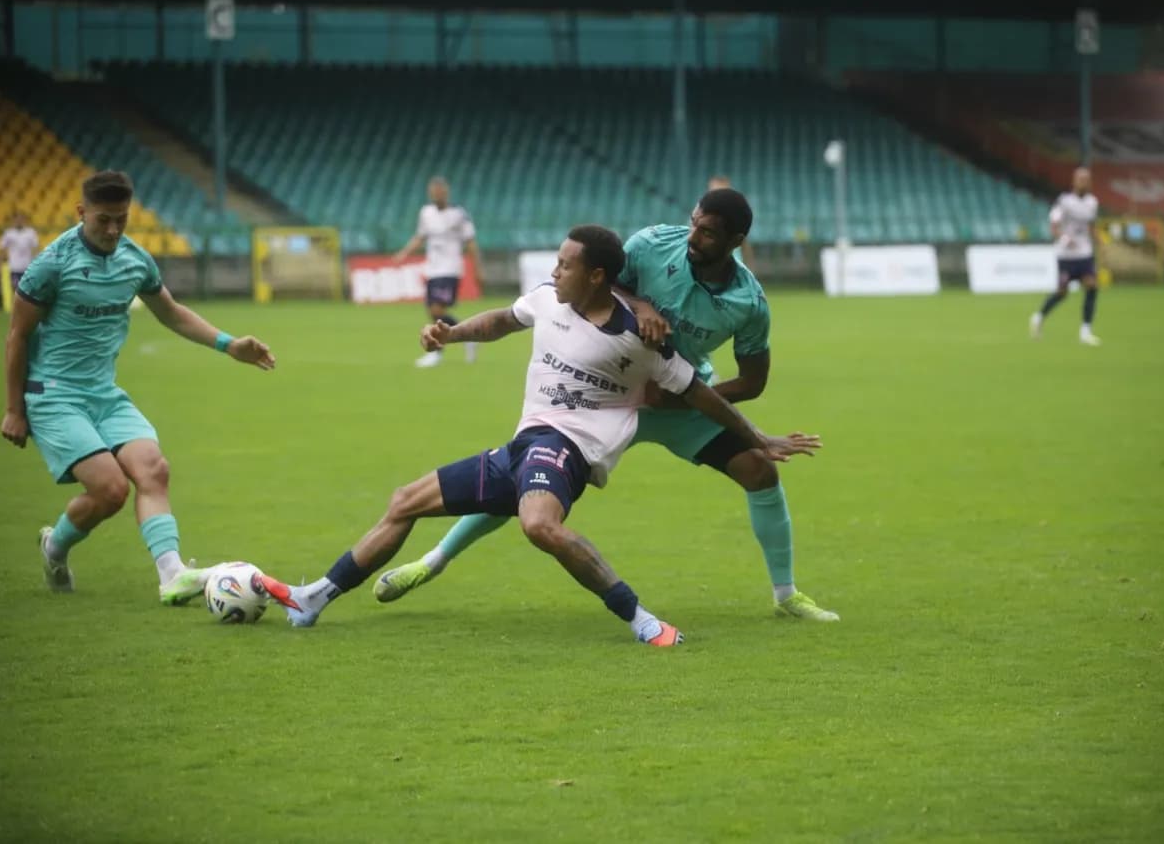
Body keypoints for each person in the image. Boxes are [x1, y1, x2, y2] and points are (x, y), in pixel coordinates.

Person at [259, 224, 819, 645]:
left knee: (537, 523)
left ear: (596, 275)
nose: (554, 272)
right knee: (405, 500)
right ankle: (316, 598)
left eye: (565, 264)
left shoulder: (637, 339)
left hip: (569, 447)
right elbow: (503, 320)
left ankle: (641, 620)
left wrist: (757, 437)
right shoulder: (550, 299)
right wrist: (451, 334)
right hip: (526, 445)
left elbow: (700, 393)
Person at [376, 188, 839, 622]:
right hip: (601, 395)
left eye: (709, 232)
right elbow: (594, 284)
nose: (694, 237)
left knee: (759, 469)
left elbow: (754, 381)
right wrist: (640, 305)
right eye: (694, 224)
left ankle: (786, 595)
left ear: (736, 241)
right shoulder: (654, 244)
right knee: (525, 477)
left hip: (675, 397)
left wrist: (686, 403)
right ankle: (431, 562)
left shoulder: (749, 302)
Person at [1, 170, 276, 602]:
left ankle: (172, 576)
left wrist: (229, 345)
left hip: (104, 394)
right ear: (81, 212)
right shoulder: (52, 264)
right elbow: (17, 334)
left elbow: (171, 312)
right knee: (111, 490)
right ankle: (54, 548)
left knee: (154, 469)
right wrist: (15, 409)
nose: (112, 230)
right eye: (103, 220)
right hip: (54, 394)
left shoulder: (135, 259)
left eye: (121, 220)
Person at [392, 176, 485, 367]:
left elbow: (471, 242)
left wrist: (477, 269)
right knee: (433, 311)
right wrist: (404, 253)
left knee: (436, 310)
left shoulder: (459, 214)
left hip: (450, 269)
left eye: (440, 190)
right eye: (433, 191)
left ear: (446, 192)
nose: (436, 194)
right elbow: (420, 237)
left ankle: (438, 352)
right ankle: (468, 336)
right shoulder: (425, 213)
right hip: (433, 269)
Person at [1030, 167, 1102, 346]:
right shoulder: (1064, 201)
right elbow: (1054, 225)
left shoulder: (1093, 202)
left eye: (1087, 179)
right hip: (1066, 255)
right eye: (1080, 179)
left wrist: (1100, 241)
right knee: (1062, 292)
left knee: (1092, 286)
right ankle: (1039, 317)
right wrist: (1064, 238)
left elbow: (1091, 227)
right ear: (1074, 181)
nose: (1084, 182)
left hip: (1085, 253)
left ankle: (1086, 331)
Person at [707, 175, 756, 270]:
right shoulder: (699, 216)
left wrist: (750, 269)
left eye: (721, 191)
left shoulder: (737, 214)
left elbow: (745, 244)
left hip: (733, 268)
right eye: (714, 191)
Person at [1, 211, 41, 304]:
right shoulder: (8, 233)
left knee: (29, 290)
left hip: (28, 267)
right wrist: (1, 262)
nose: (19, 221)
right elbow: (2, 249)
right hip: (14, 267)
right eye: (17, 219)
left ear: (24, 220)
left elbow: (36, 248)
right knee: (16, 290)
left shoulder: (31, 232)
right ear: (13, 220)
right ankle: (17, 309)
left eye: (21, 219)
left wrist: (37, 262)